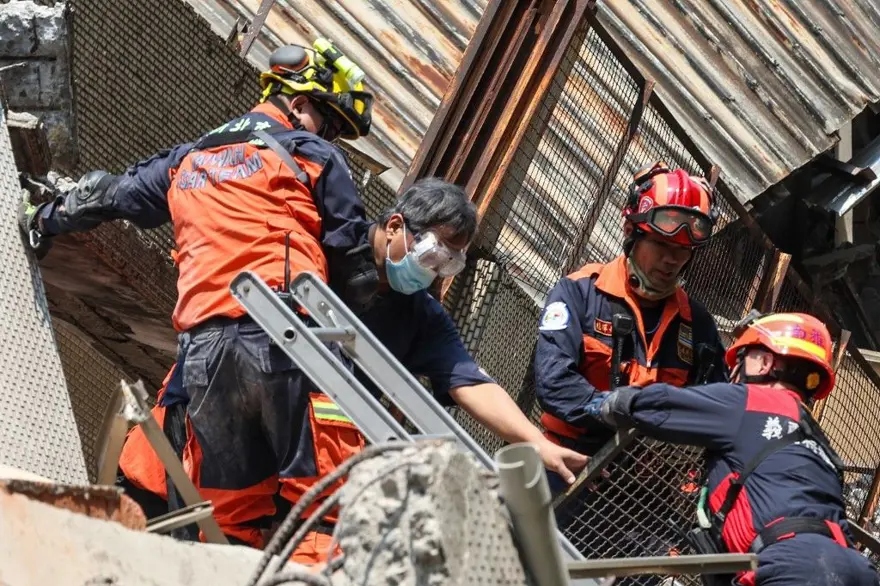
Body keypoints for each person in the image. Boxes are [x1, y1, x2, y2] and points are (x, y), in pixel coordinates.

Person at [20, 40, 380, 548]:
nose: (334, 138)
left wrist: (43, 220)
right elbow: (356, 272)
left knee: (228, 518)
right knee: (321, 511)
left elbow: (106, 194)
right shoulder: (314, 154)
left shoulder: (190, 157)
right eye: (333, 124)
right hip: (291, 336)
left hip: (205, 355)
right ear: (300, 105)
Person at [115, 178, 589, 562]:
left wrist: (537, 442)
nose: (434, 270)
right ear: (397, 225)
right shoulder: (318, 254)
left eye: (449, 263)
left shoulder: (419, 315)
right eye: (433, 253)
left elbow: (469, 380)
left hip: (287, 485)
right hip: (203, 440)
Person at [590, 312, 880, 586]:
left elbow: (659, 405)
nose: (733, 370)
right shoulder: (819, 443)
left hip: (794, 565)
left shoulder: (751, 401)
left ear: (764, 362)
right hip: (856, 570)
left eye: (741, 358)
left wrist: (603, 404)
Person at [535, 162, 729, 484]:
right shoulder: (580, 292)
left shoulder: (697, 323)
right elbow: (553, 383)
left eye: (683, 251)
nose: (672, 260)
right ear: (631, 233)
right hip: (568, 463)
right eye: (662, 246)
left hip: (645, 483)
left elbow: (716, 404)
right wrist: (617, 410)